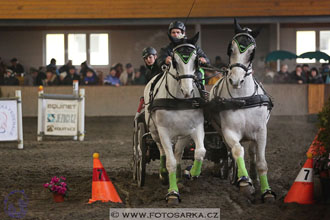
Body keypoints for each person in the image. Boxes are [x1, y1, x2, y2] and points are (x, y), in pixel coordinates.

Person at [157, 21, 210, 89]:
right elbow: (159, 61)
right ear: (170, 34)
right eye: (173, 32)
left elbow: (207, 60)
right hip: (172, 74)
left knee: (200, 73)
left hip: (191, 73)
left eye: (178, 32)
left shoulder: (193, 47)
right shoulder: (165, 49)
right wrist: (164, 60)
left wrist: (204, 60)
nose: (175, 34)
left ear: (183, 33)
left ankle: (201, 91)